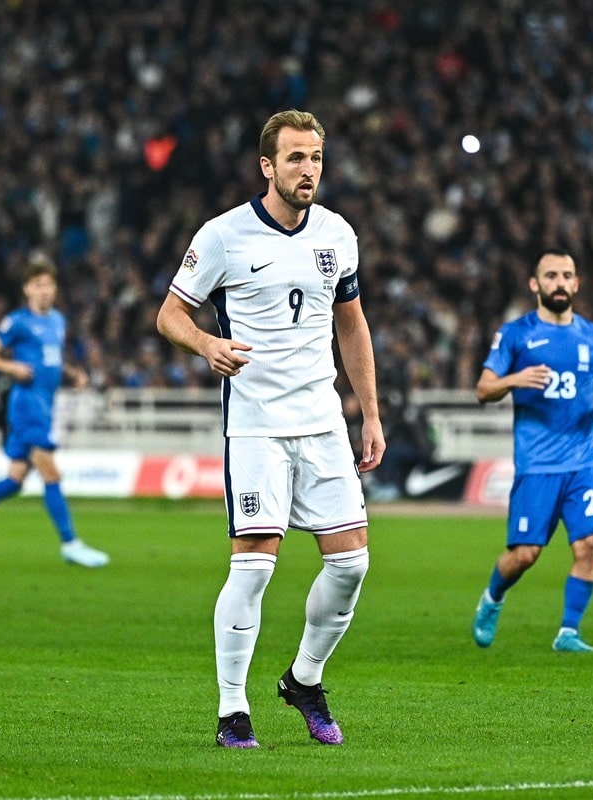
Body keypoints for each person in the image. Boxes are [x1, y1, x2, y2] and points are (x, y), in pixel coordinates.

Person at [156, 109, 385, 749]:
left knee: (352, 564)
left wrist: (369, 412)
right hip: (255, 426)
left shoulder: (339, 235)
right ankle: (233, 710)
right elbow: (169, 313)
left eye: (315, 158)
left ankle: (304, 680)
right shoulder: (225, 236)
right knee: (254, 568)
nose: (308, 169)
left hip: (321, 423)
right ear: (268, 166)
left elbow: (352, 324)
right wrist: (205, 342)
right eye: (295, 159)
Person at [471, 249, 593, 653]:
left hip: (583, 460)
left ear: (577, 284)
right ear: (535, 284)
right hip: (537, 464)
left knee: (589, 545)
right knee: (524, 555)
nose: (559, 282)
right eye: (551, 276)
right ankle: (492, 598)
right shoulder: (516, 335)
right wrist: (515, 378)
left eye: (566, 275)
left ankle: (568, 633)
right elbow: (483, 389)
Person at [0, 254, 110, 568]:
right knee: (51, 472)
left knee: (15, 480)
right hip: (25, 407)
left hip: (45, 406)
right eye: (38, 285)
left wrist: (73, 374)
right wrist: (11, 367)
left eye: (49, 284)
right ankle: (71, 543)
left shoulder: (57, 321)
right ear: (27, 289)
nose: (45, 290)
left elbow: (52, 358)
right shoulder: (17, 321)